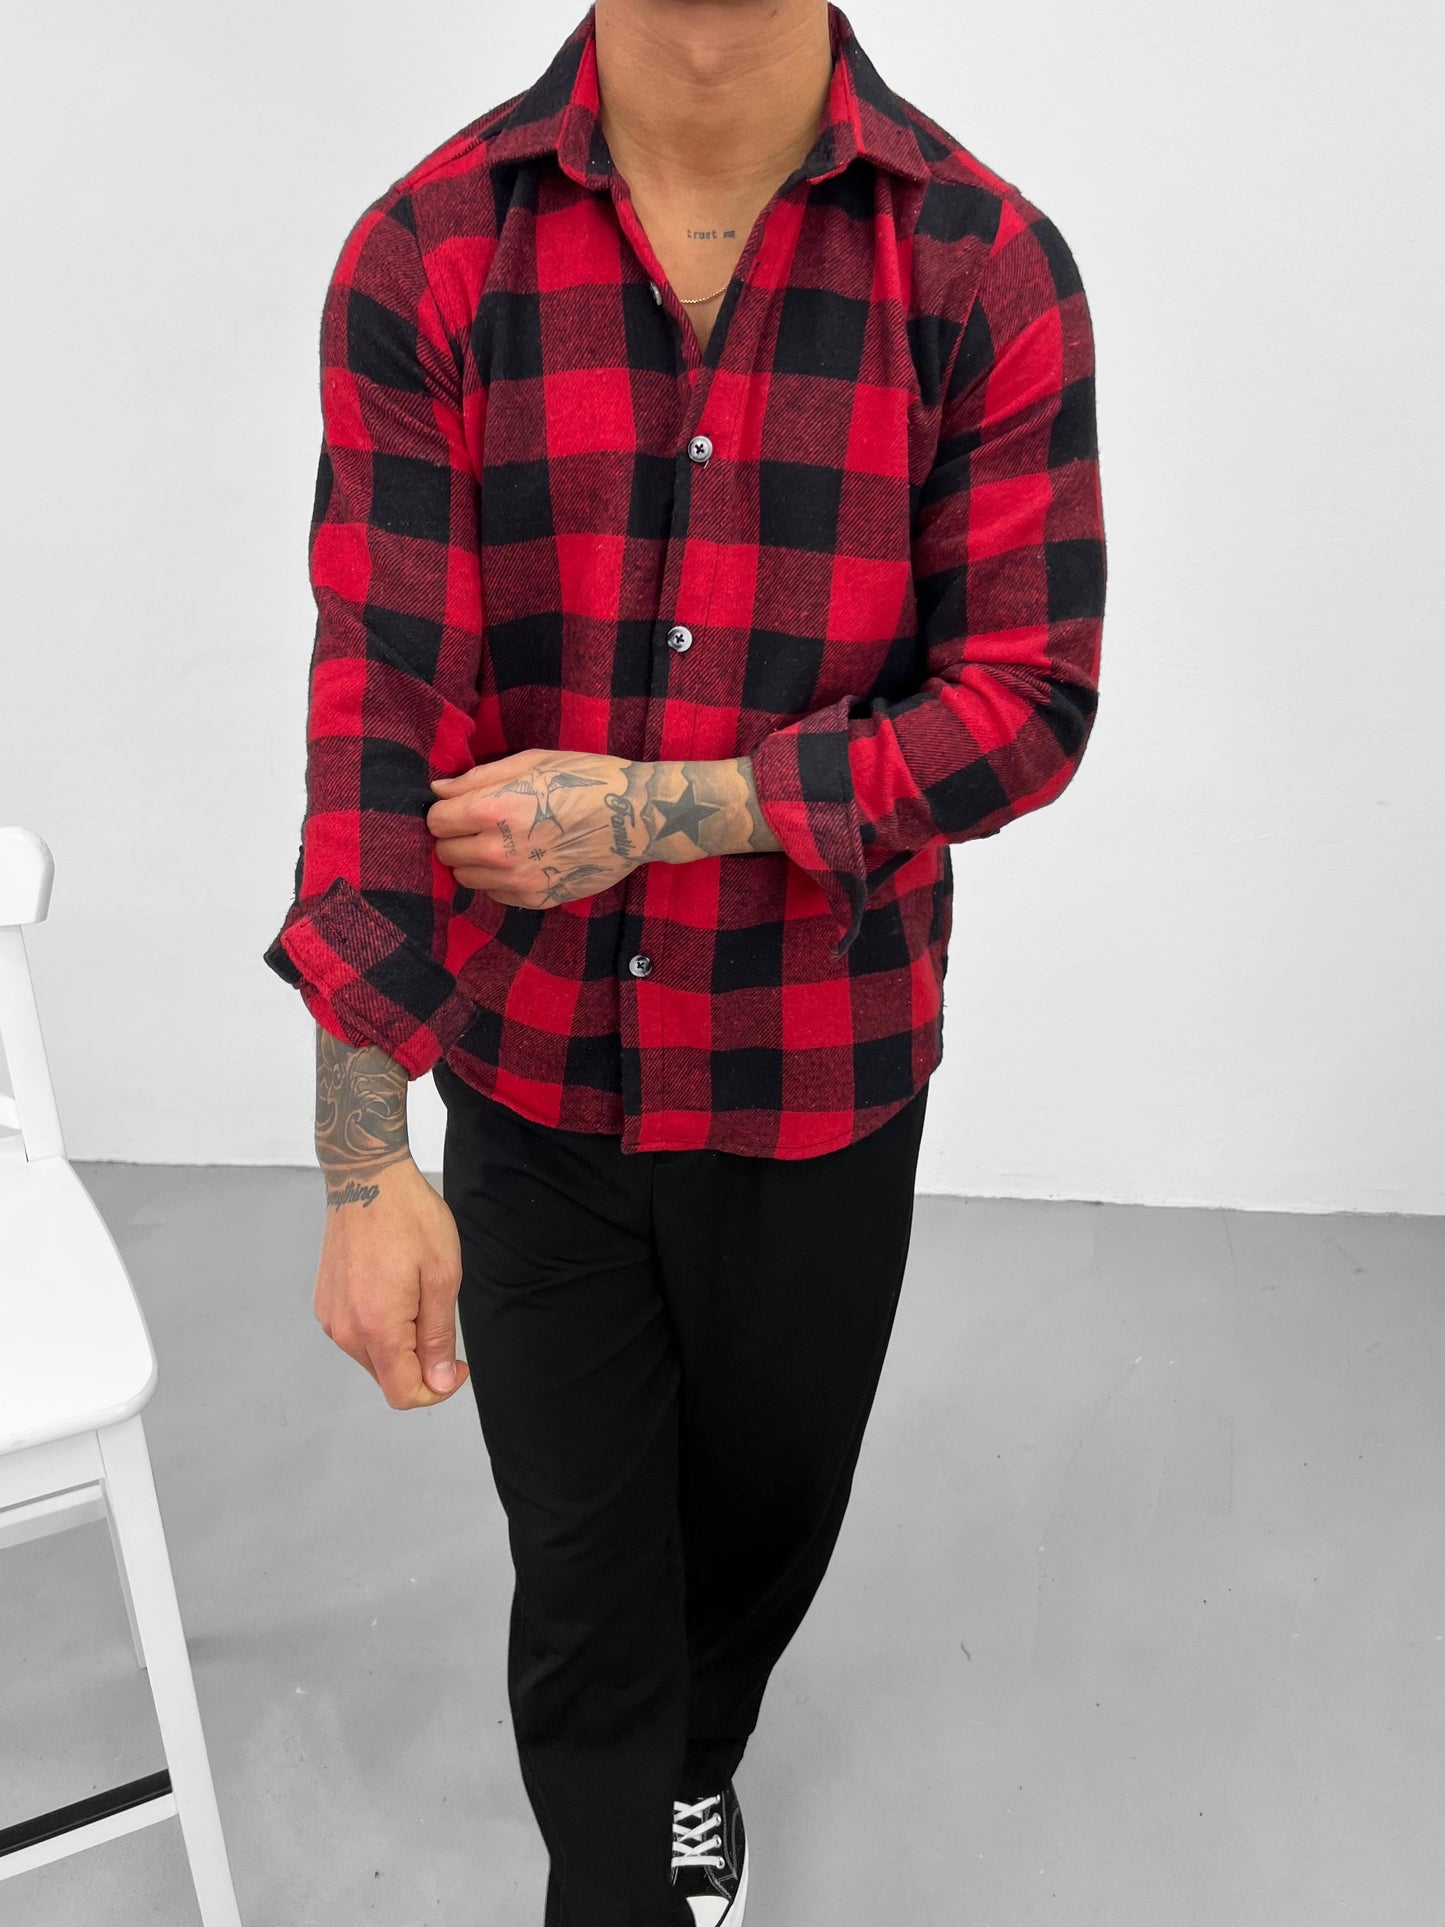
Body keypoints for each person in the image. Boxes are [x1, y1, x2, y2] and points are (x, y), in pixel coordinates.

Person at [263, 1, 1106, 1920]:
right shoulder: (429, 252)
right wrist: (360, 1155)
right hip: (534, 1066)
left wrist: (672, 809)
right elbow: (375, 708)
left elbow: (1026, 702)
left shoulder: (981, 264)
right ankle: (615, 1863)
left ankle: (698, 1761)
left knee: (766, 1512)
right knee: (581, 1571)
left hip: (822, 1064)